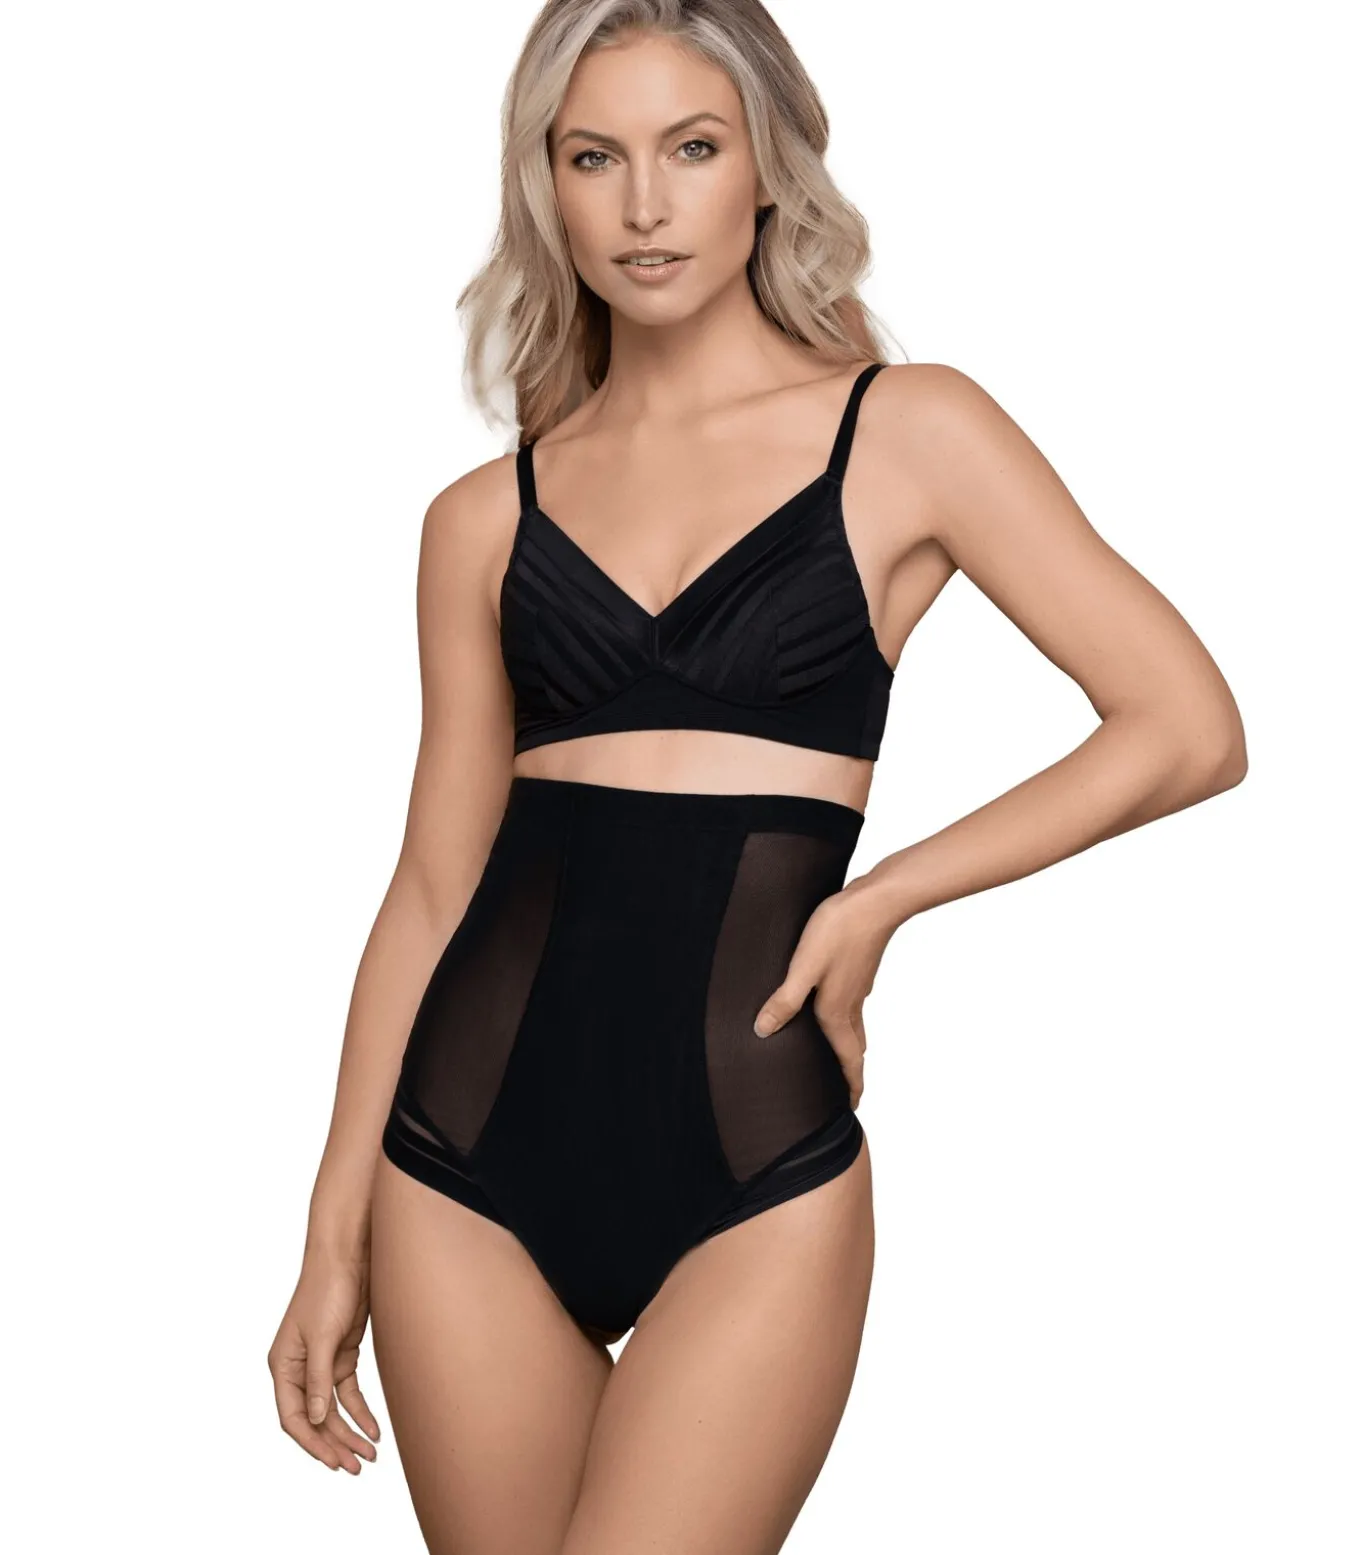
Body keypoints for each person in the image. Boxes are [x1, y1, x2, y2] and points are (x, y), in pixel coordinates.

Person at [267, 3, 1248, 1550]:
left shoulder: (908, 433)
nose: (645, 205)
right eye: (595, 158)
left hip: (755, 1159)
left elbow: (1185, 725)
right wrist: (333, 1233)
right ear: (546, 185)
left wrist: (879, 903)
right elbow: (435, 888)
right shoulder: (481, 518)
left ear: (770, 167)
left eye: (693, 147)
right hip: (461, 1164)